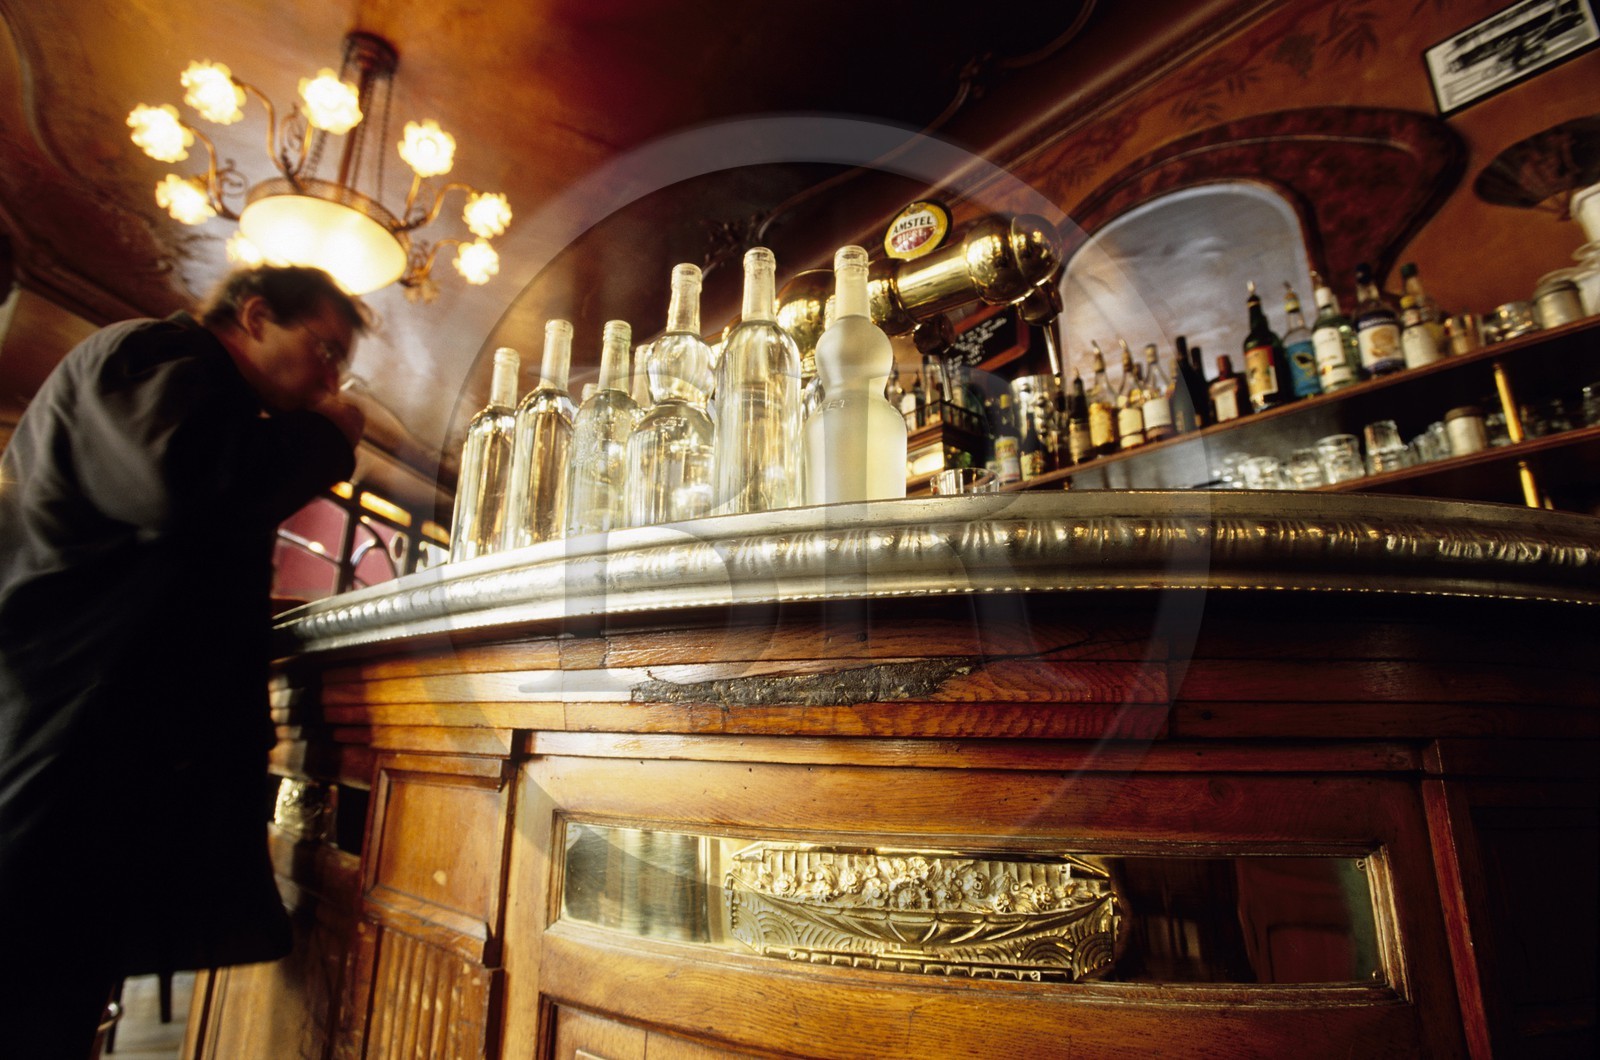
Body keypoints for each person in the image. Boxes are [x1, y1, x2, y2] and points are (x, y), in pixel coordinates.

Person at [0, 264, 368, 1056]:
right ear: (257, 314)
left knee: (58, 990)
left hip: (91, 744)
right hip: (69, 735)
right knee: (28, 985)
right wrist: (327, 437)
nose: (331, 379)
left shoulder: (198, 393)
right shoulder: (151, 356)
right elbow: (182, 485)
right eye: (326, 350)